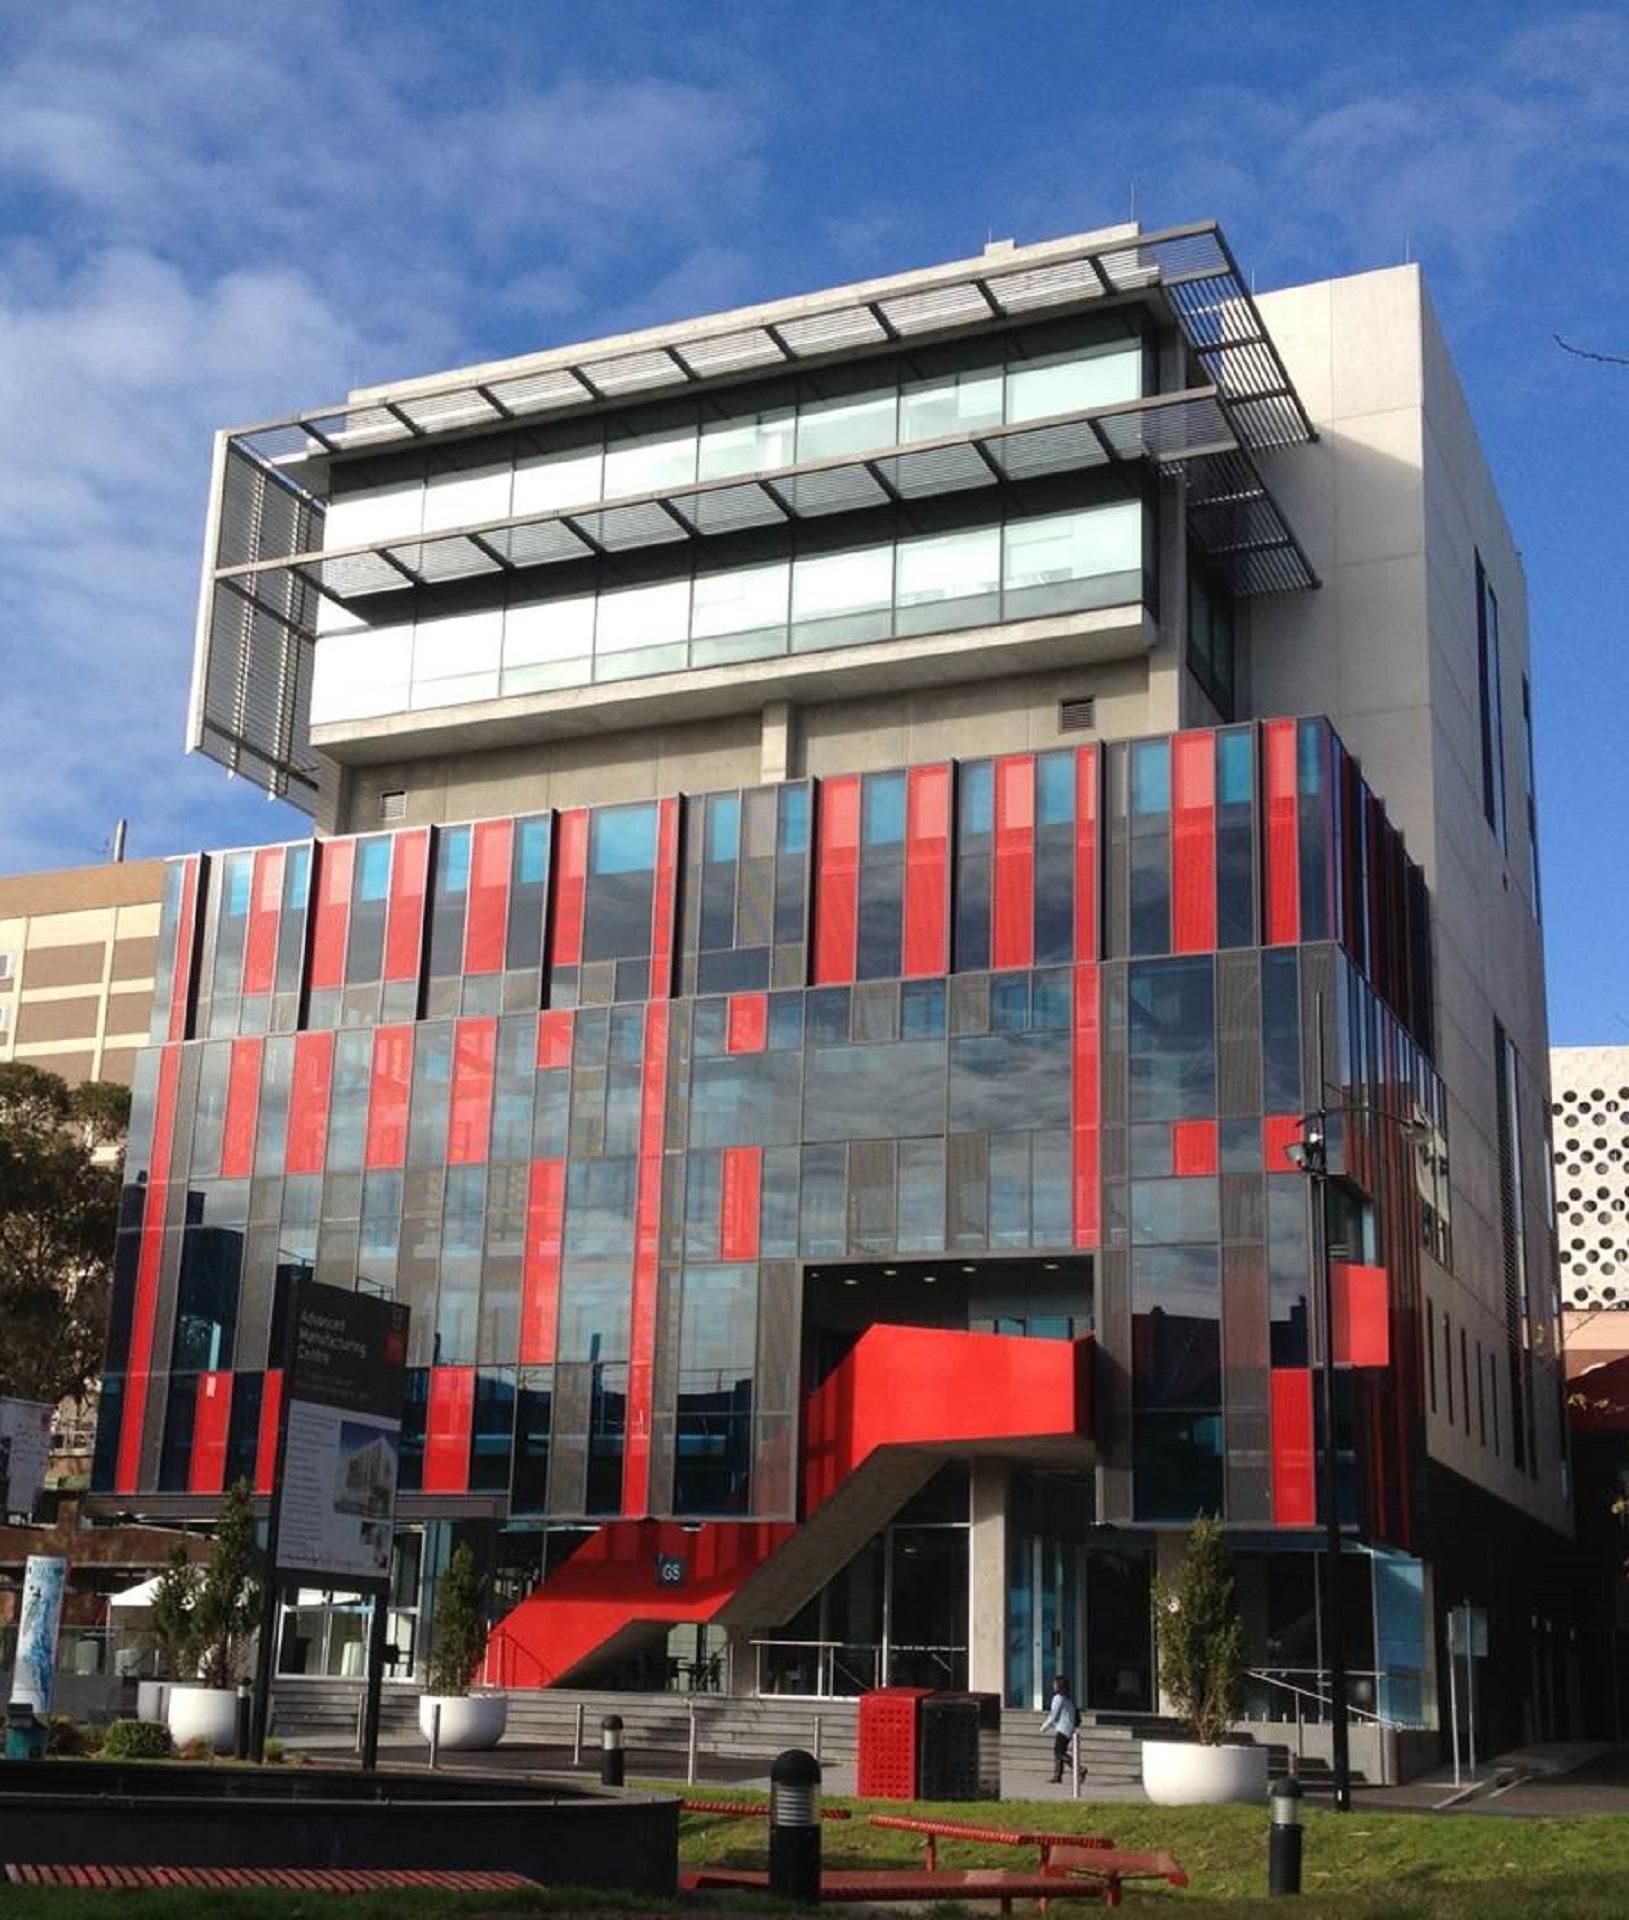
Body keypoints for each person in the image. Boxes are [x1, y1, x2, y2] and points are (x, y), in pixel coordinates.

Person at [1039, 1674, 1079, 1784]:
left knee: (1059, 1752)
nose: (1053, 1686)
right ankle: (1057, 1776)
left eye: (1055, 1684)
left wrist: (1044, 1727)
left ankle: (1079, 1769)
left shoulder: (1058, 1698)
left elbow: (1053, 1715)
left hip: (1062, 1729)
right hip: (1069, 1729)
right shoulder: (1068, 1699)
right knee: (1059, 1752)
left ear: (1059, 1686)